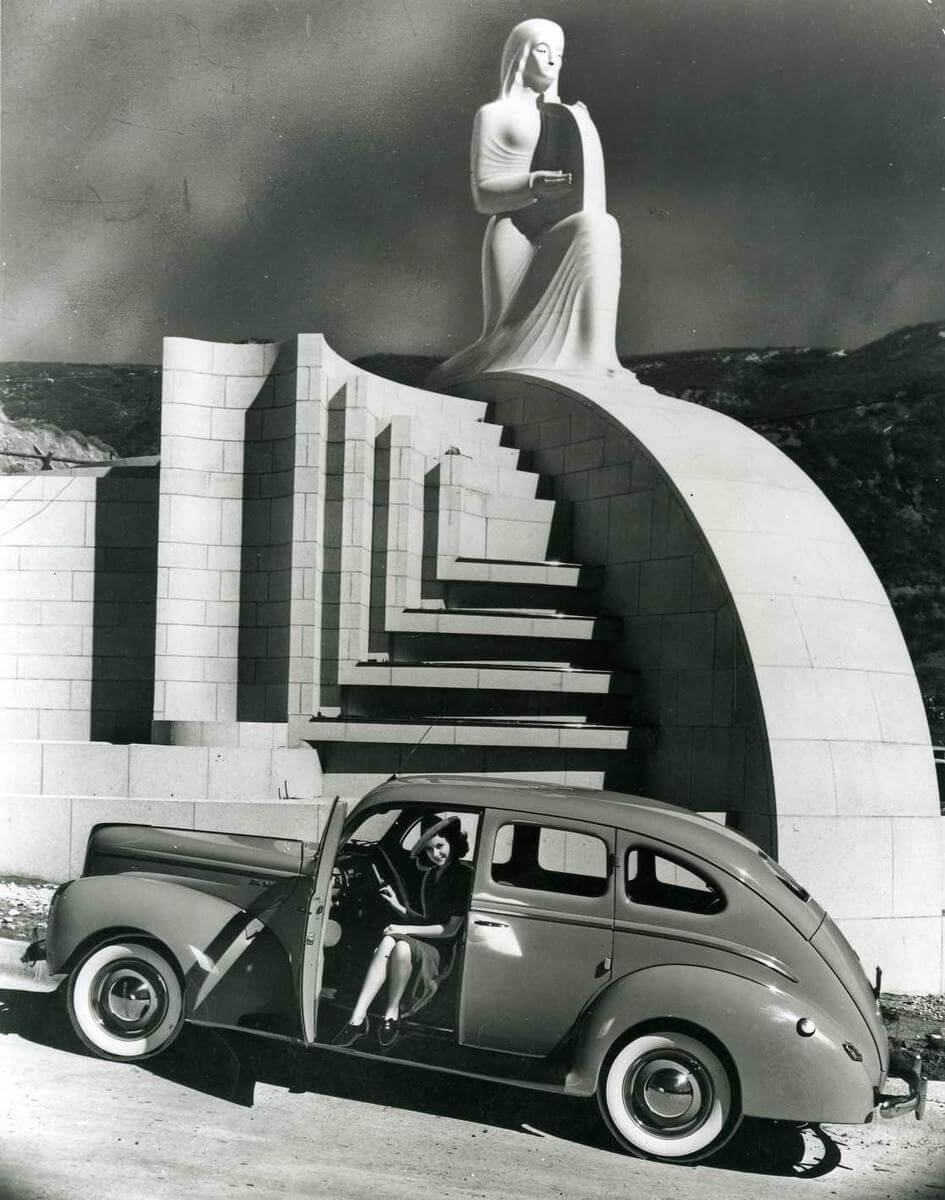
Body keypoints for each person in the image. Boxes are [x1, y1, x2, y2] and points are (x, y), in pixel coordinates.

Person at [428, 18, 622, 390]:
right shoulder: (493, 115)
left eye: (560, 54)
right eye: (544, 50)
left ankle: (596, 359)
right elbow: (483, 195)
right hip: (515, 230)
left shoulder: (566, 114)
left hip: (556, 224)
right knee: (508, 336)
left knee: (601, 226)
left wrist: (581, 130)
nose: (554, 62)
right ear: (519, 55)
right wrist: (533, 184)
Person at [332, 814, 472, 1049]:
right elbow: (427, 921)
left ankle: (390, 1012)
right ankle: (359, 1017)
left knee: (401, 944)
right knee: (391, 943)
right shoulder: (431, 876)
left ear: (453, 843)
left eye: (440, 846)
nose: (435, 854)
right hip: (428, 941)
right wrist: (398, 906)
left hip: (444, 950)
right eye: (429, 850)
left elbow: (450, 929)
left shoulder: (462, 875)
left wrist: (403, 927)